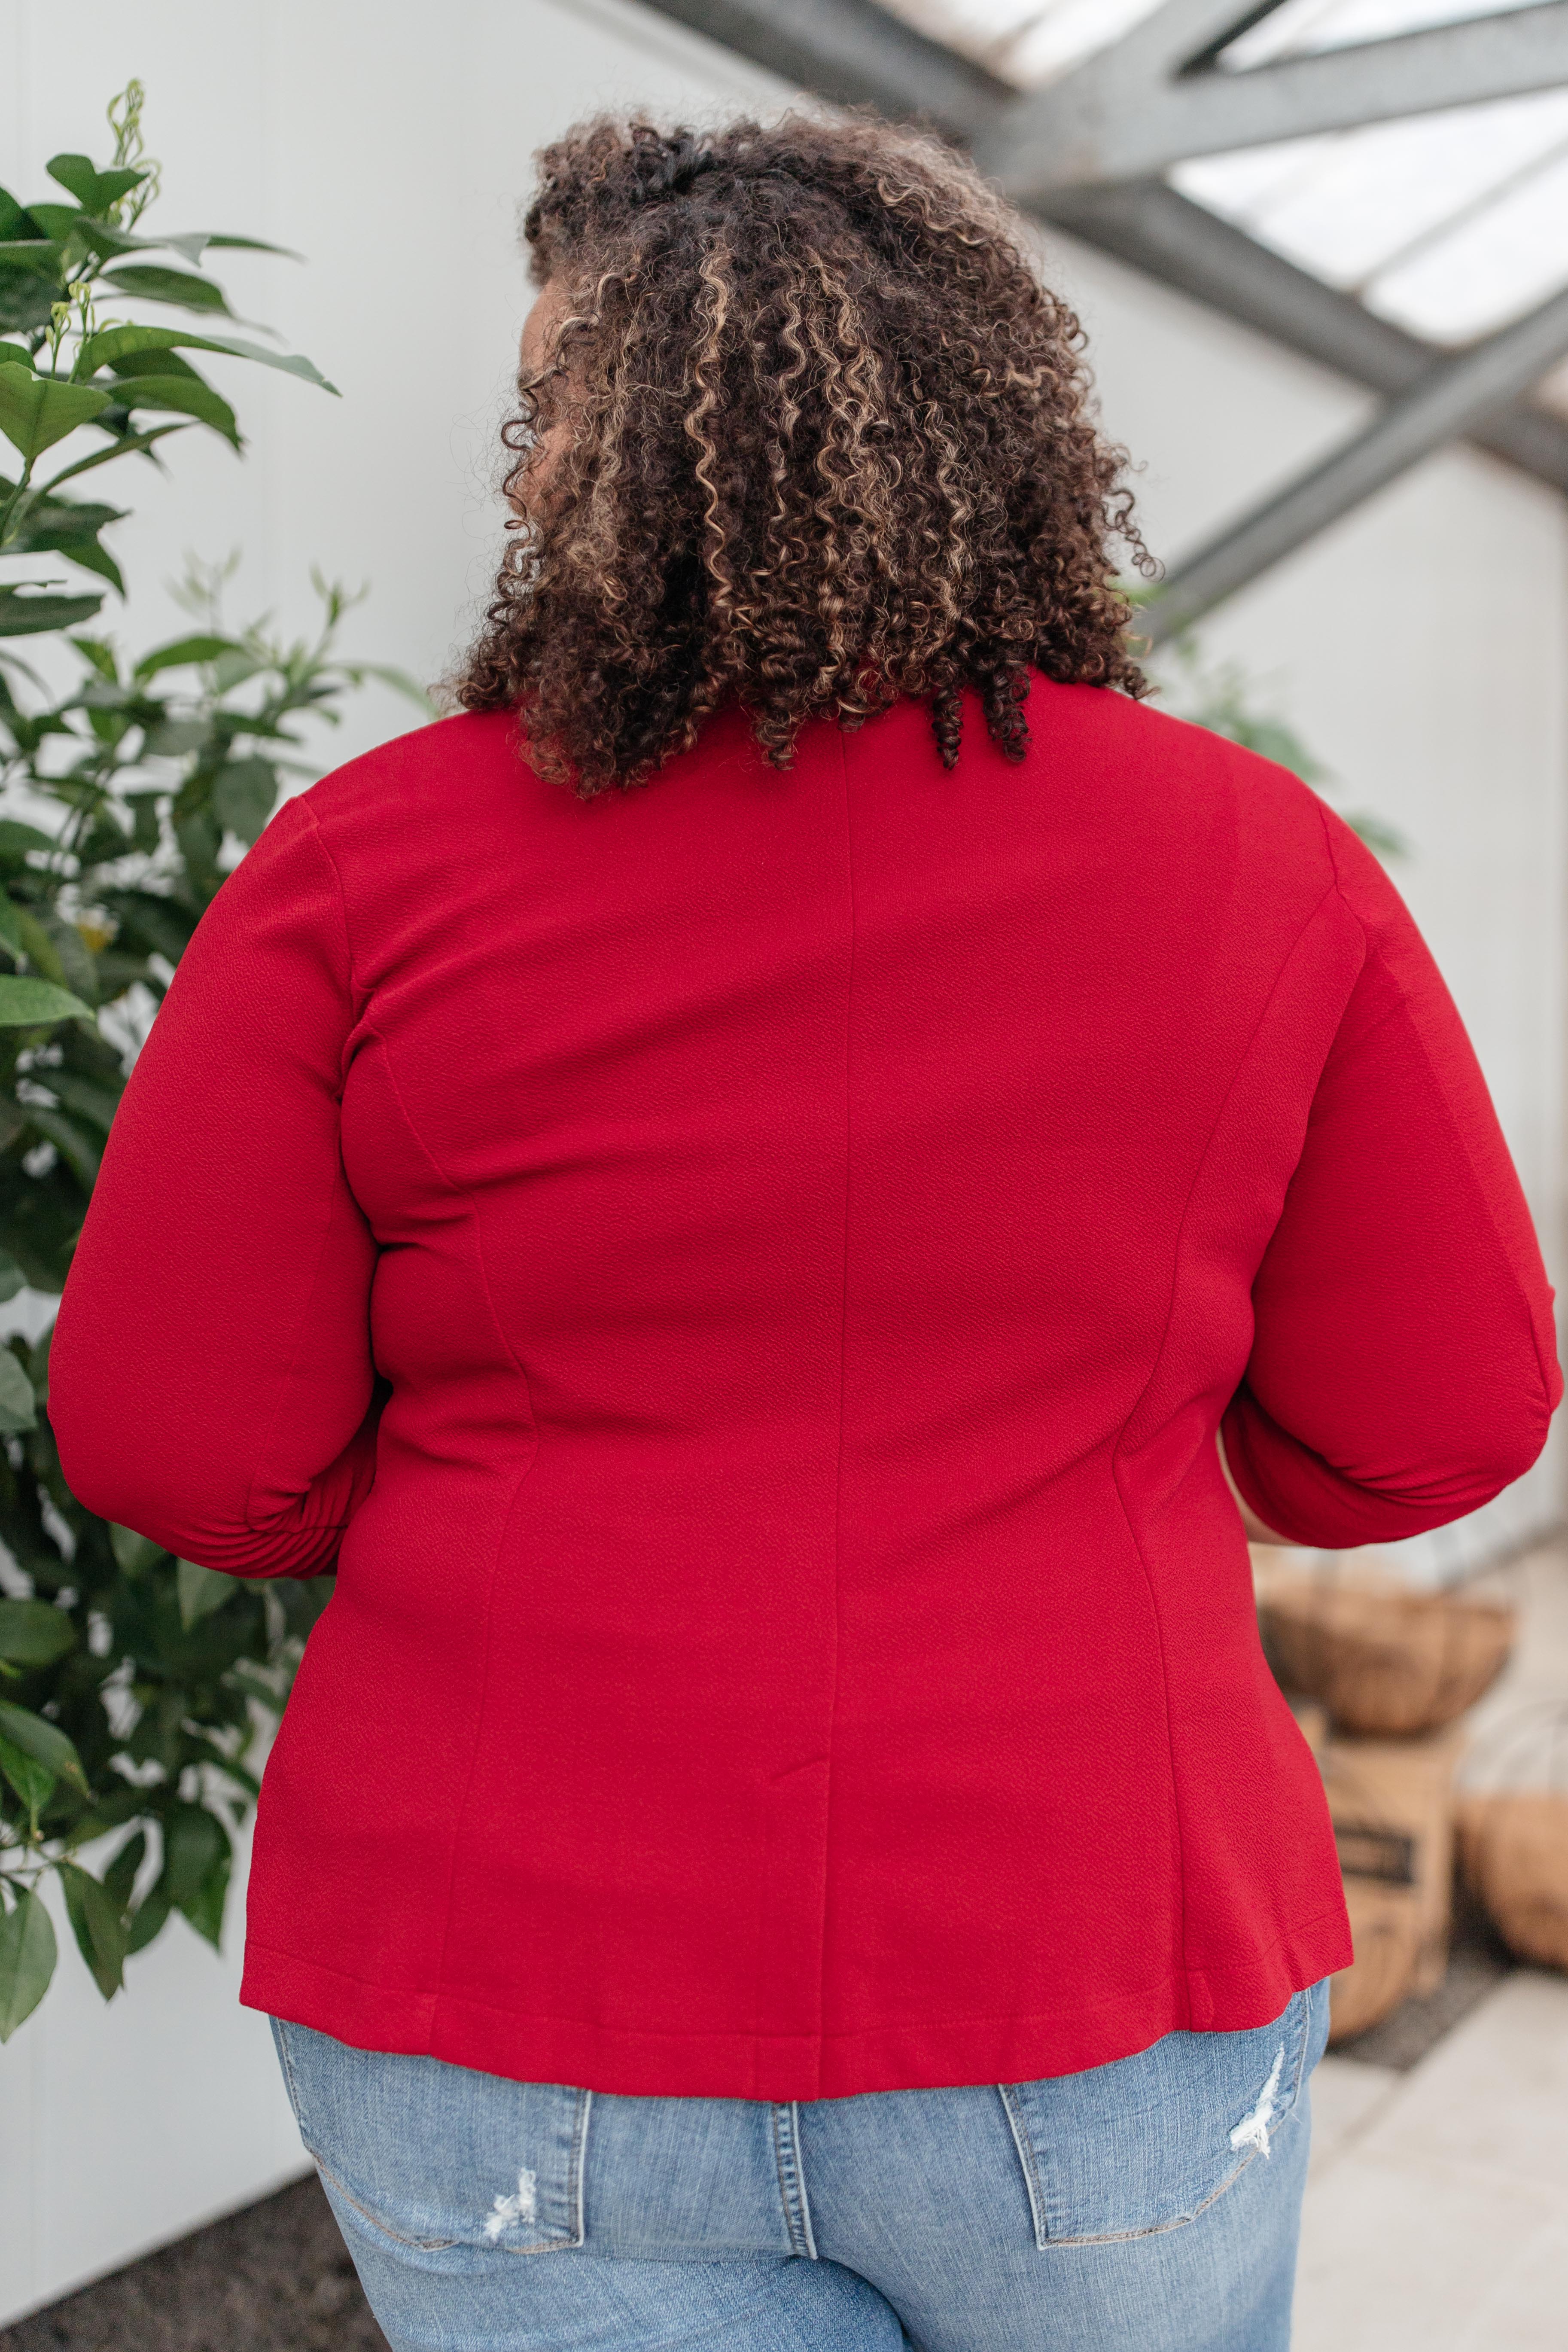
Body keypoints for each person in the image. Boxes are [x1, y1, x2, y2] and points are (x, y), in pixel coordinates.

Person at [49, 112, 1559, 2352]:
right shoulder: (1256, 860)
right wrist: (1112, 1462)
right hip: (1094, 1951)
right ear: (998, 422)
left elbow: (184, 1443)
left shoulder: (366, 866)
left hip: (499, 1968)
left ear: (577, 465)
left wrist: (529, 1490)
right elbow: (1431, 1425)